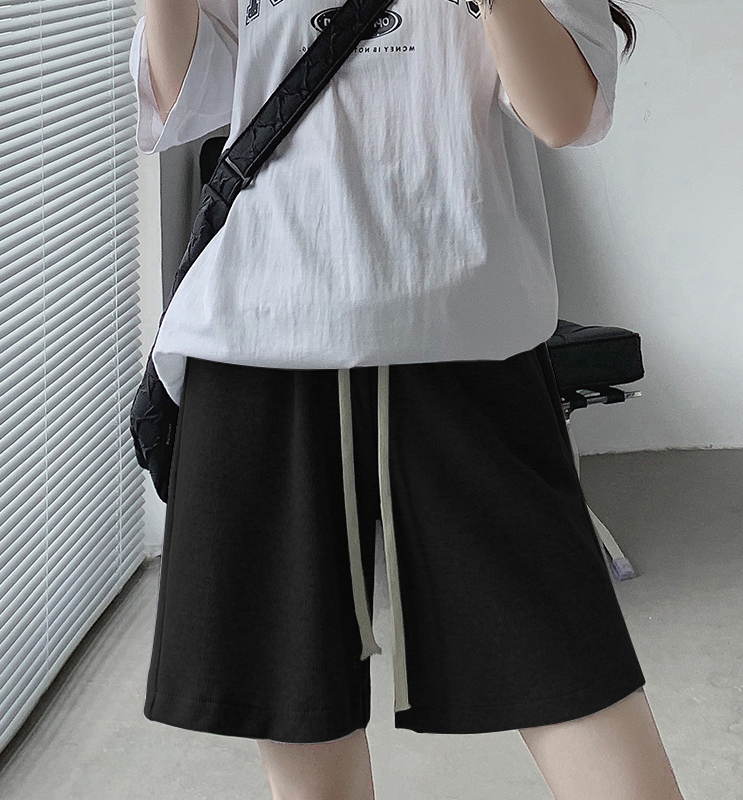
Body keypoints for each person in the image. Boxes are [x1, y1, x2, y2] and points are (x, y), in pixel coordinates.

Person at [128, 0, 685, 797]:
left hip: (465, 333)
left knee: (579, 693)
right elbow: (186, 98)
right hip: (260, 333)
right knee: (308, 746)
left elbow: (564, 114)